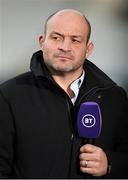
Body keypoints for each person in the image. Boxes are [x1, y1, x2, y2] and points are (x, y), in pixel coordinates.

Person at [0, 9, 128, 179]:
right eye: (56, 37)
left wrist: (110, 163)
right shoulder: (9, 95)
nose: (65, 47)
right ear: (42, 41)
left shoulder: (114, 97)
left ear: (88, 49)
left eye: (75, 40)